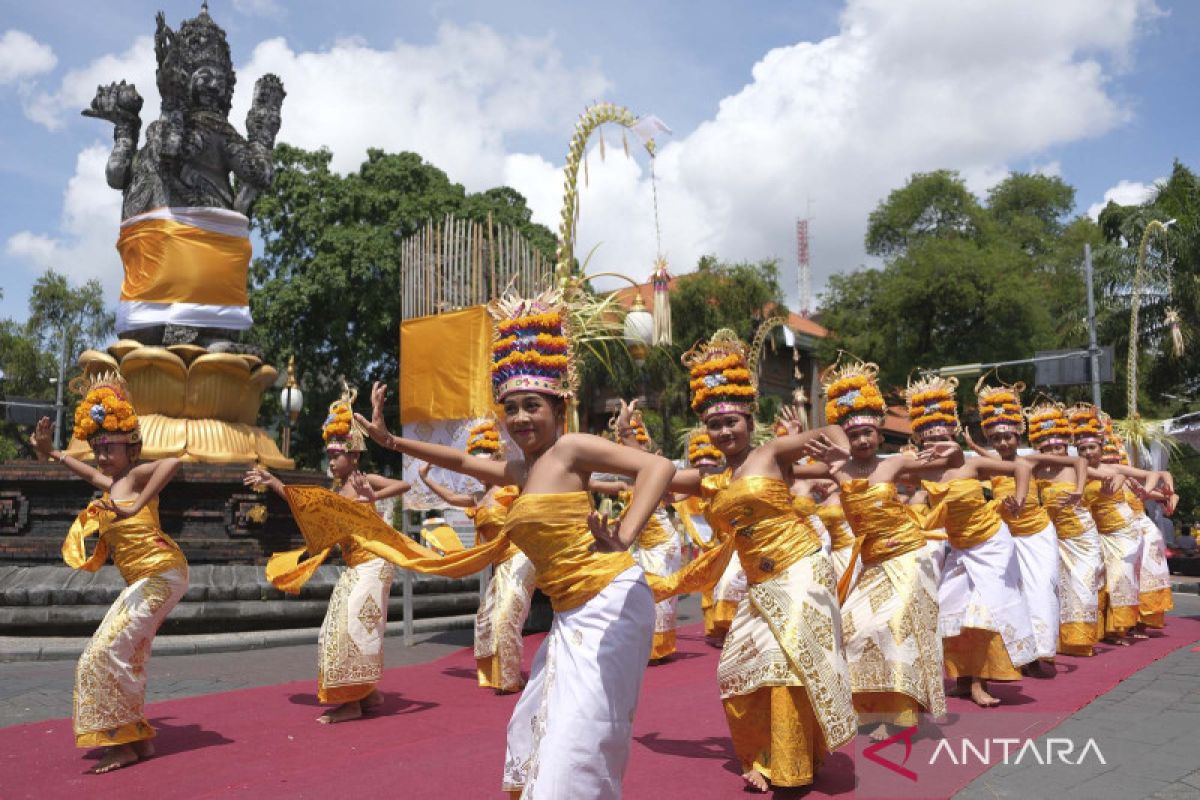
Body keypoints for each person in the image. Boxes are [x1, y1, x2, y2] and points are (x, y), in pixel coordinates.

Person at [354, 288, 675, 799]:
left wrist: (625, 535)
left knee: (581, 742)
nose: (521, 418)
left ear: (558, 405)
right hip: (571, 615)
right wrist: (393, 443)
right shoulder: (520, 470)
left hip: (612, 601)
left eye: (532, 406)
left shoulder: (570, 451)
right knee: (540, 732)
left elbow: (658, 467)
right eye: (511, 409)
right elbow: (458, 461)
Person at [656, 329, 858, 793]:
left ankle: (785, 766)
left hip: (801, 567)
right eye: (714, 424)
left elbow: (829, 432)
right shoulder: (712, 480)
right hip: (758, 583)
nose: (725, 432)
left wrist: (839, 450)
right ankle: (782, 750)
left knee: (784, 665)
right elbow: (652, 472)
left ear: (749, 420)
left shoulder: (771, 454)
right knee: (736, 668)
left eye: (732, 422)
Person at [30, 373, 188, 774]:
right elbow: (87, 473)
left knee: (100, 654)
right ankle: (135, 735)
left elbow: (172, 462)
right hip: (147, 580)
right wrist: (53, 453)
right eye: (97, 448)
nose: (101, 456)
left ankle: (119, 739)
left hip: (161, 573)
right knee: (125, 652)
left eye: (109, 448)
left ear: (131, 449)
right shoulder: (113, 483)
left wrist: (137, 508)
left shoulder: (133, 478)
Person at [803, 357, 952, 741]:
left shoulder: (895, 465)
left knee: (892, 628)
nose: (863, 441)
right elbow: (782, 470)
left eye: (868, 433)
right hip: (871, 564)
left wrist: (951, 449)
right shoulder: (837, 470)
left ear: (880, 435)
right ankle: (868, 710)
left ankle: (900, 717)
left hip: (908, 557)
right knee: (852, 629)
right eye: (854, 435)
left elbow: (949, 461)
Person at [248, 385, 411, 723]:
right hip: (357, 567)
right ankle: (365, 693)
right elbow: (302, 503)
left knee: (350, 626)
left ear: (354, 455)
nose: (331, 461)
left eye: (336, 455)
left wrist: (371, 498)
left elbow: (403, 486)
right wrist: (273, 480)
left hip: (375, 563)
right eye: (330, 455)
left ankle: (351, 701)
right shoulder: (335, 491)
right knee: (339, 627)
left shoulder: (363, 480)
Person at [903, 375, 1037, 708]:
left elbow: (1020, 469)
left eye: (943, 435)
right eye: (929, 436)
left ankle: (979, 681)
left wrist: (1018, 501)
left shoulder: (971, 463)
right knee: (952, 611)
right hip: (960, 550)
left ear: (952, 434)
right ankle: (962, 678)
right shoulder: (919, 472)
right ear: (919, 438)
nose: (937, 441)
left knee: (983, 613)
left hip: (993, 545)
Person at [966, 380, 1088, 675]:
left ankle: (1043, 654)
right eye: (996, 439)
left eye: (1008, 437)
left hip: (1038, 534)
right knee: (1011, 597)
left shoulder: (1030, 459)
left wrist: (1080, 489)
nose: (1004, 443)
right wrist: (971, 446)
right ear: (990, 441)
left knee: (1042, 591)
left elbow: (1079, 459)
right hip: (1006, 538)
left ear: (1018, 433)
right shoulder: (989, 465)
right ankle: (1018, 655)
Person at [417, 418, 535, 694]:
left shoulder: (511, 490)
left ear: (496, 461)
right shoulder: (478, 497)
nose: (481, 472)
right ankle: (496, 672)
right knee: (486, 617)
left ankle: (510, 678)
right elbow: (450, 498)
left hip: (520, 559)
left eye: (486, 464)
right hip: (500, 563)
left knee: (505, 615)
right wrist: (426, 479)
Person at [1024, 400, 1105, 657]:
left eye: (1059, 444)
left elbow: (1082, 463)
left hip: (1082, 536)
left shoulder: (1074, 464)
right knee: (1057, 588)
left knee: (1082, 587)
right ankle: (1058, 640)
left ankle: (1080, 640)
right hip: (1053, 538)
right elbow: (1018, 461)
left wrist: (1079, 490)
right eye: (1047, 445)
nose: (1054, 449)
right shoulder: (1036, 469)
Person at [612, 399, 683, 661]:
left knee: (660, 594)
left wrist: (624, 426)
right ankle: (644, 645)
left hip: (663, 543)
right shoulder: (626, 483)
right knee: (638, 593)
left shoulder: (654, 469)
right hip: (641, 546)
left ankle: (659, 649)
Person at [670, 427, 728, 642]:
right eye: (699, 462)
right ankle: (713, 628)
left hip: (727, 542)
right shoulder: (693, 489)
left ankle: (726, 627)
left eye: (710, 464)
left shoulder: (726, 478)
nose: (705, 468)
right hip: (707, 544)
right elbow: (680, 494)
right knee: (709, 583)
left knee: (726, 584)